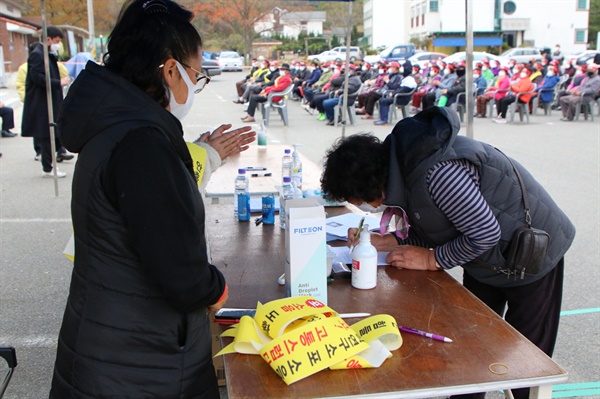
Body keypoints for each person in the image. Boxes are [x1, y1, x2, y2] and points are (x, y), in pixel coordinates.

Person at [49, 1, 256, 397]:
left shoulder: (119, 126)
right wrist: (221, 294)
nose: (195, 86)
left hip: (113, 345)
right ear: (169, 69)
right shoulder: (141, 144)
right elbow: (182, 274)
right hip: (138, 366)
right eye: (197, 75)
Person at [320, 107, 575, 399]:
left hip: (533, 253)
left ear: (372, 185)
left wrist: (432, 259)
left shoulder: (437, 174)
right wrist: (387, 240)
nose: (371, 207)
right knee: (472, 346)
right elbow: (436, 223)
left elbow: (484, 233)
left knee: (528, 358)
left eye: (365, 201)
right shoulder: (404, 169)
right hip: (486, 258)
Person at [21, 27, 74, 177]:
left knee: (53, 132)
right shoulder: (38, 55)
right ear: (48, 39)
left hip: (49, 99)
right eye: (57, 41)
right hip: (42, 102)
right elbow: (38, 78)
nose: (58, 44)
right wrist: (59, 82)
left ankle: (54, 159)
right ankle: (48, 166)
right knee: (47, 135)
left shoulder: (47, 54)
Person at [374, 61, 417, 125]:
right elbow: (398, 88)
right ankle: (382, 119)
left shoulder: (410, 79)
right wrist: (393, 93)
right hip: (398, 96)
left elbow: (403, 90)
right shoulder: (406, 78)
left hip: (402, 98)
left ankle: (384, 121)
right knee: (382, 100)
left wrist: (393, 94)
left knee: (384, 101)